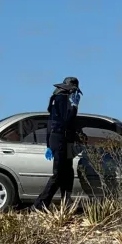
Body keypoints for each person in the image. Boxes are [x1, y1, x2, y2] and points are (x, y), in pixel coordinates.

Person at [33, 77, 83, 211]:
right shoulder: (63, 99)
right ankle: (40, 205)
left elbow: (51, 123)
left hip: (61, 140)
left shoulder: (56, 98)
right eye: (75, 91)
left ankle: (66, 202)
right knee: (59, 174)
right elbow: (66, 120)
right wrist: (74, 107)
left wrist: (49, 144)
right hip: (61, 140)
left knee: (68, 172)